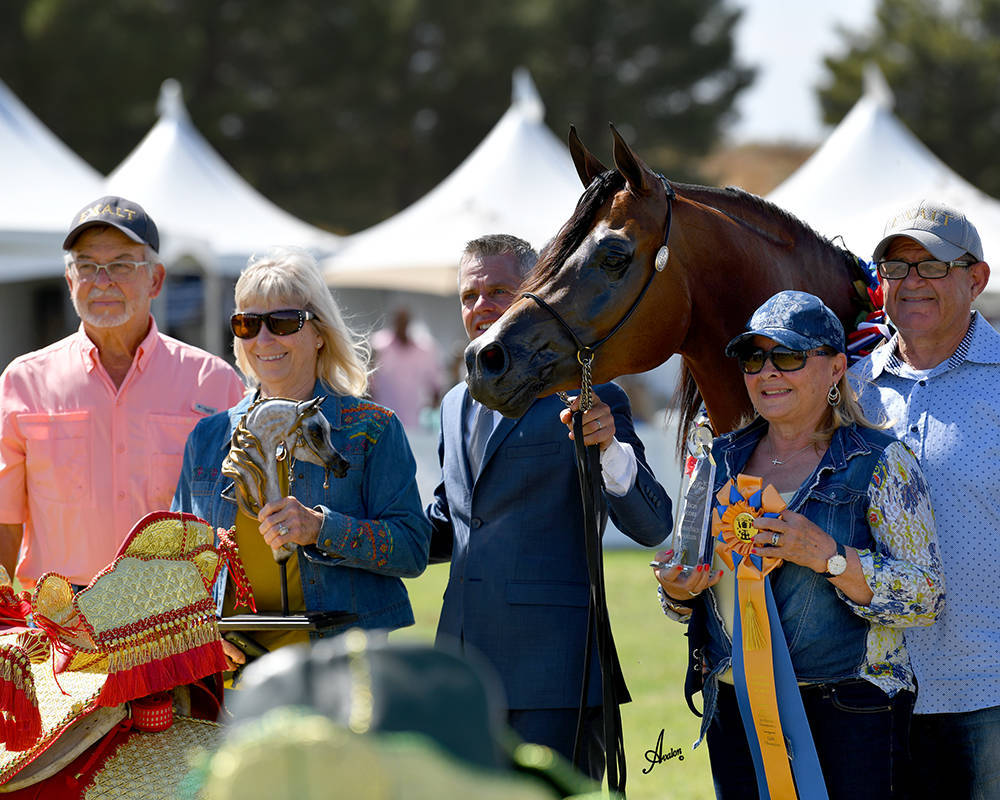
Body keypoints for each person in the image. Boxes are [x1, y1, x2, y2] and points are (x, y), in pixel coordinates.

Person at [654, 290, 943, 799]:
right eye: (754, 358)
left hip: (848, 710)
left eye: (788, 356)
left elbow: (926, 597)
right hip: (736, 709)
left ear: (836, 369)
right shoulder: (715, 460)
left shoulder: (883, 461)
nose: (768, 372)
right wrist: (678, 591)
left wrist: (829, 558)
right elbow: (685, 592)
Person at [427, 234, 672, 779]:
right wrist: (344, 530)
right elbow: (450, 525)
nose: (481, 306)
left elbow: (654, 524)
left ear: (535, 292)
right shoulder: (453, 403)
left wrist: (610, 449)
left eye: (498, 290)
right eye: (469, 295)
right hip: (460, 672)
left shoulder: (589, 394)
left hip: (554, 673)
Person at [172, 248, 431, 668]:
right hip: (234, 675)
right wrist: (201, 632)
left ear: (320, 333)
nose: (263, 339)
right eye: (247, 324)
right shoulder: (208, 437)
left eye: (283, 321)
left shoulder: (372, 429)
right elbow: (175, 559)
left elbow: (413, 548)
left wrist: (320, 528)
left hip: (342, 670)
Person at [0, 196, 244, 591]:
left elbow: (242, 517)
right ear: (70, 280)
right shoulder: (23, 382)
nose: (102, 281)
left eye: (121, 265)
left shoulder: (214, 382)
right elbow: (4, 524)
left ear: (156, 280)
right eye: (87, 266)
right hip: (59, 616)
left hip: (175, 612)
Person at [853, 202, 1000, 799]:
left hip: (985, 693)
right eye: (896, 267)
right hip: (865, 693)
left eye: (932, 266)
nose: (911, 282)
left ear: (976, 278)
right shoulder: (849, 390)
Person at [369, 307, 443, 428]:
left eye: (405, 321)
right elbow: (369, 386)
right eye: (399, 321)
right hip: (384, 424)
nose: (402, 325)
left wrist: (430, 417)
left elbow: (436, 388)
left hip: (416, 427)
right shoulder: (379, 346)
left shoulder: (425, 350)